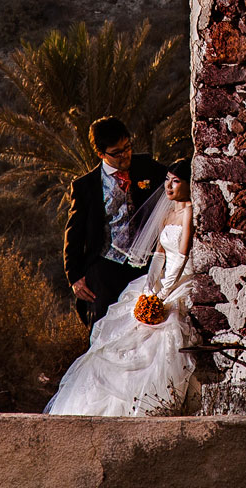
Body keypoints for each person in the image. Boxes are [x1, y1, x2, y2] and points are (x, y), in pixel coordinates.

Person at [45, 166, 200, 416]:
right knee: (122, 329)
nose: (169, 187)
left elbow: (180, 258)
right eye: (167, 181)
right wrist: (151, 289)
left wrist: (163, 295)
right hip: (160, 281)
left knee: (162, 334)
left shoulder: (188, 214)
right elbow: (159, 256)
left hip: (179, 280)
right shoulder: (167, 213)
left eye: (176, 182)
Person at [63, 117, 168, 326]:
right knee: (105, 327)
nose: (125, 154)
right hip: (105, 267)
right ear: (101, 153)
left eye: (127, 147)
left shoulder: (146, 165)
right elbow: (74, 233)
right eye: (117, 152)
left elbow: (176, 180)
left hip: (145, 266)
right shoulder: (85, 186)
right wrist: (74, 277)